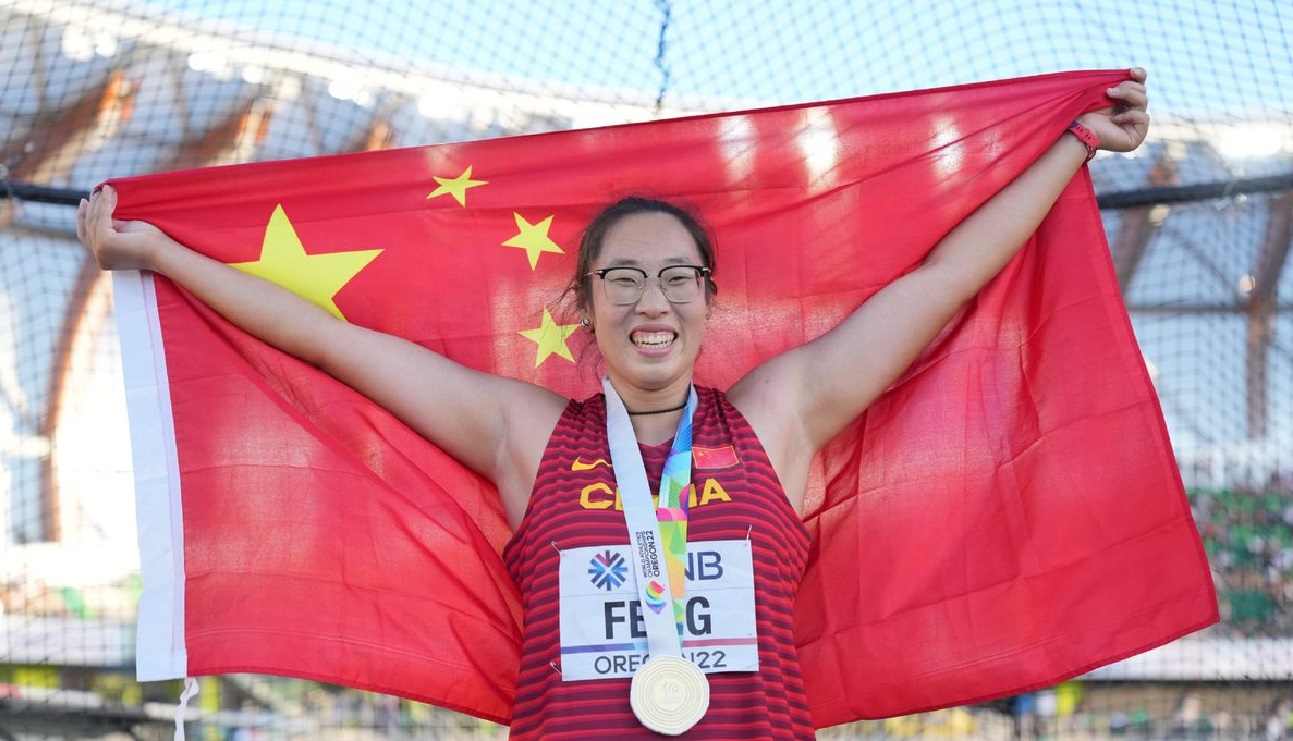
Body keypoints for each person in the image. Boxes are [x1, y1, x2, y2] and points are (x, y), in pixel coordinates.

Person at [78, 70, 1150, 740]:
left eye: (677, 276)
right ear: (584, 307)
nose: (652, 299)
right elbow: (329, 339)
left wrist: (1073, 147)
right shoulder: (524, 433)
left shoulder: (779, 415)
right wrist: (161, 253)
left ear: (708, 303)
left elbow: (941, 285)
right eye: (622, 278)